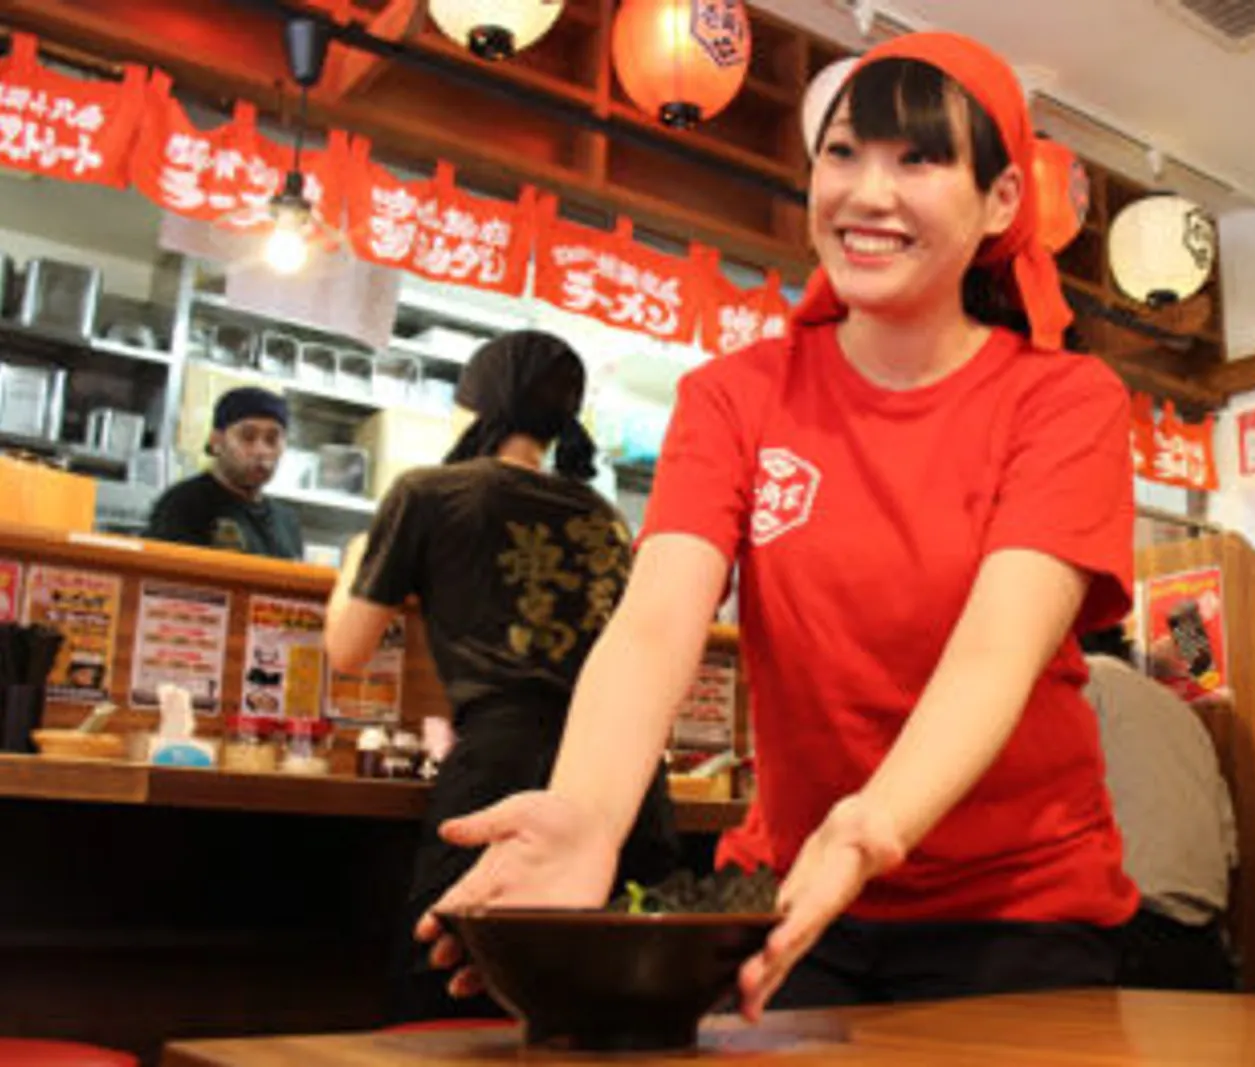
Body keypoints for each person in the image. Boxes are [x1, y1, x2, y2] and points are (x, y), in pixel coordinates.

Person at [417, 31, 1138, 1019]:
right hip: (793, 892)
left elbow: (994, 656)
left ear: (1002, 200)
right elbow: (655, 622)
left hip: (1020, 906)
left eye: (918, 159)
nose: (868, 193)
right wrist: (586, 812)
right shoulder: (734, 397)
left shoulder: (1064, 401)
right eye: (842, 154)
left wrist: (869, 826)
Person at [323, 332, 680, 1022]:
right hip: (630, 784)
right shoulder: (604, 516)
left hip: (504, 770)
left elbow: (348, 648)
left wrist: (356, 560)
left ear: (475, 405)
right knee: (610, 1009)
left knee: (448, 1001)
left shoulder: (428, 492)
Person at [1080, 624, 1238, 992]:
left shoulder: (1083, 684)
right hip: (1204, 936)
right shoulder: (1180, 711)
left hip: (1126, 930)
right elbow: (1229, 843)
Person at [145, 386, 303, 560]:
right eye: (248, 437)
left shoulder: (286, 521)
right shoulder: (184, 505)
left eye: (272, 440)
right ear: (216, 441)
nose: (261, 451)